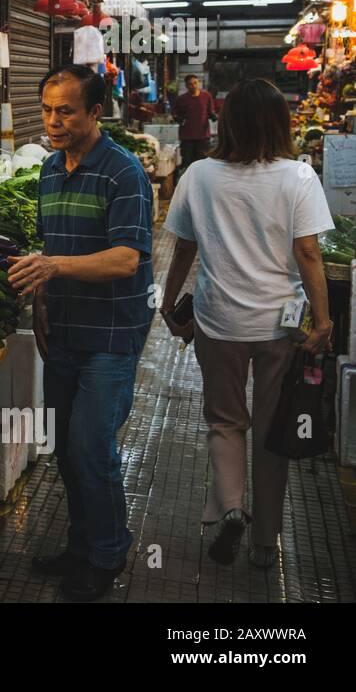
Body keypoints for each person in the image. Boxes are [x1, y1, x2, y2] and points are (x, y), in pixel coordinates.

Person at [159, 79, 333, 569]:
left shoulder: (200, 174)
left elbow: (184, 247)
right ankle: (264, 545)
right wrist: (323, 320)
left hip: (219, 322)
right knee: (272, 430)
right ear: (280, 122)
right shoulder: (298, 176)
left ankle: (232, 509)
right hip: (282, 326)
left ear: (225, 121)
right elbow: (308, 253)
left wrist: (169, 303)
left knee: (225, 422)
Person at [8, 65, 154, 601]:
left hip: (111, 336)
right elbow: (53, 243)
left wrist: (54, 270)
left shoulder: (124, 173)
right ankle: (80, 544)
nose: (53, 120)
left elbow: (126, 258)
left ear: (96, 112)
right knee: (67, 451)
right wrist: (43, 304)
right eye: (47, 109)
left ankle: (109, 553)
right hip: (65, 331)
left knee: (92, 449)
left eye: (66, 110)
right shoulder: (49, 169)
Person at [172, 74, 217, 173]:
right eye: (190, 84)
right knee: (188, 164)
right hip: (187, 137)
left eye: (195, 83)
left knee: (203, 163)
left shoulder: (206, 96)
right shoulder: (181, 99)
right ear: (186, 86)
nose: (194, 86)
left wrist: (214, 117)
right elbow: (174, 115)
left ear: (199, 83)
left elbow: (210, 112)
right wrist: (179, 119)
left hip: (203, 136)